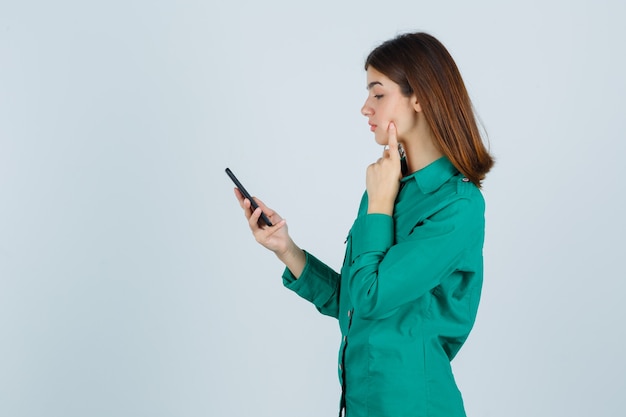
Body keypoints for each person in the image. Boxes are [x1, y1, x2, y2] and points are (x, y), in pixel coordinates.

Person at [233, 32, 494, 417]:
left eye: (378, 93)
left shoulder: (458, 205)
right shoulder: (387, 185)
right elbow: (353, 303)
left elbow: (372, 296)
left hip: (414, 406)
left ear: (419, 97)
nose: (364, 108)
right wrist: (286, 249)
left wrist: (381, 203)